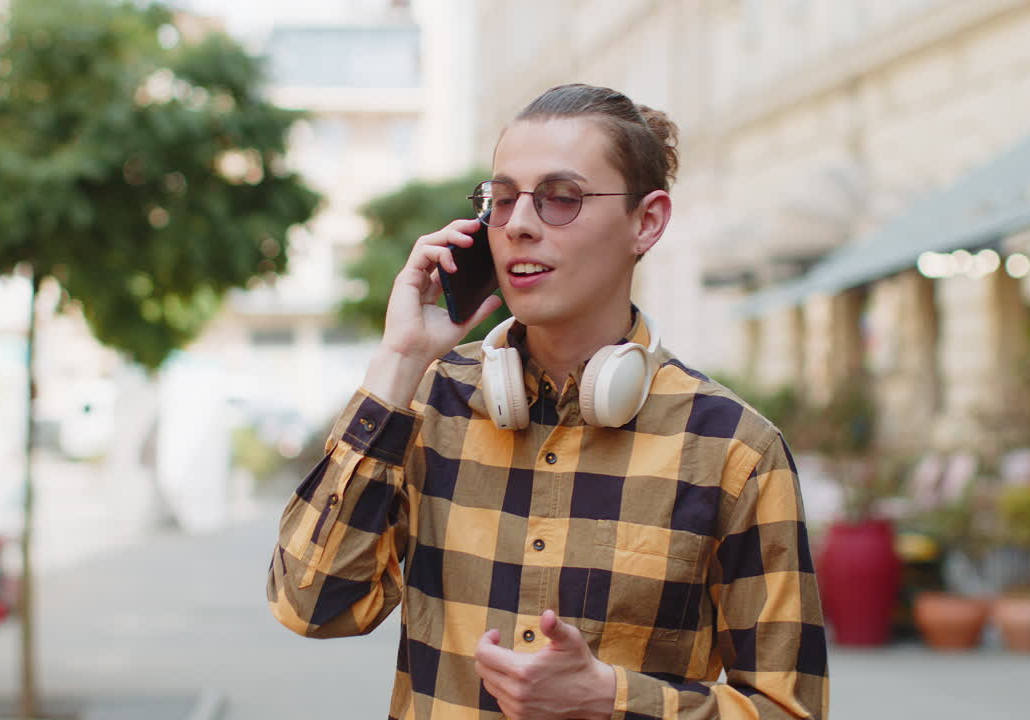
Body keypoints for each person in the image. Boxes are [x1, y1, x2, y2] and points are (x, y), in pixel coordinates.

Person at [268, 83, 828, 720]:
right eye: (501, 200)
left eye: (561, 199)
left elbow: (789, 709)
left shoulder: (734, 450)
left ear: (646, 222)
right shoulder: (429, 402)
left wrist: (609, 700)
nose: (519, 225)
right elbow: (309, 603)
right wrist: (398, 362)